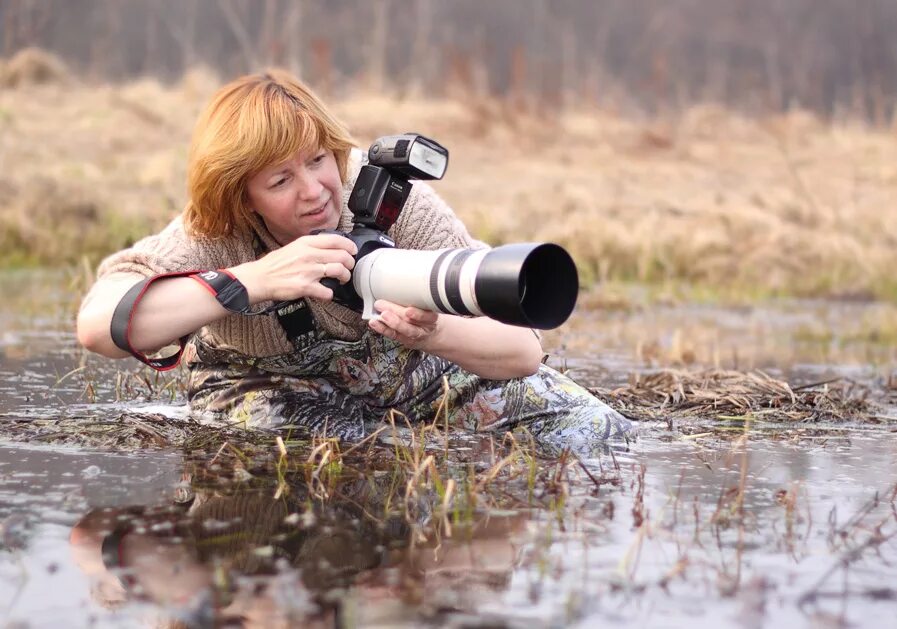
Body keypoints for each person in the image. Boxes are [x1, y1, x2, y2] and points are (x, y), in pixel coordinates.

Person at [76, 68, 631, 447]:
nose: (315, 190)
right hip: (259, 382)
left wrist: (432, 335)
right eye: (280, 179)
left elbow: (521, 350)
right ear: (240, 193)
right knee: (354, 449)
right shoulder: (213, 231)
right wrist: (251, 280)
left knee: (597, 431)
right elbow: (99, 326)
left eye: (318, 159)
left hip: (393, 369)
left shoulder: (390, 197)